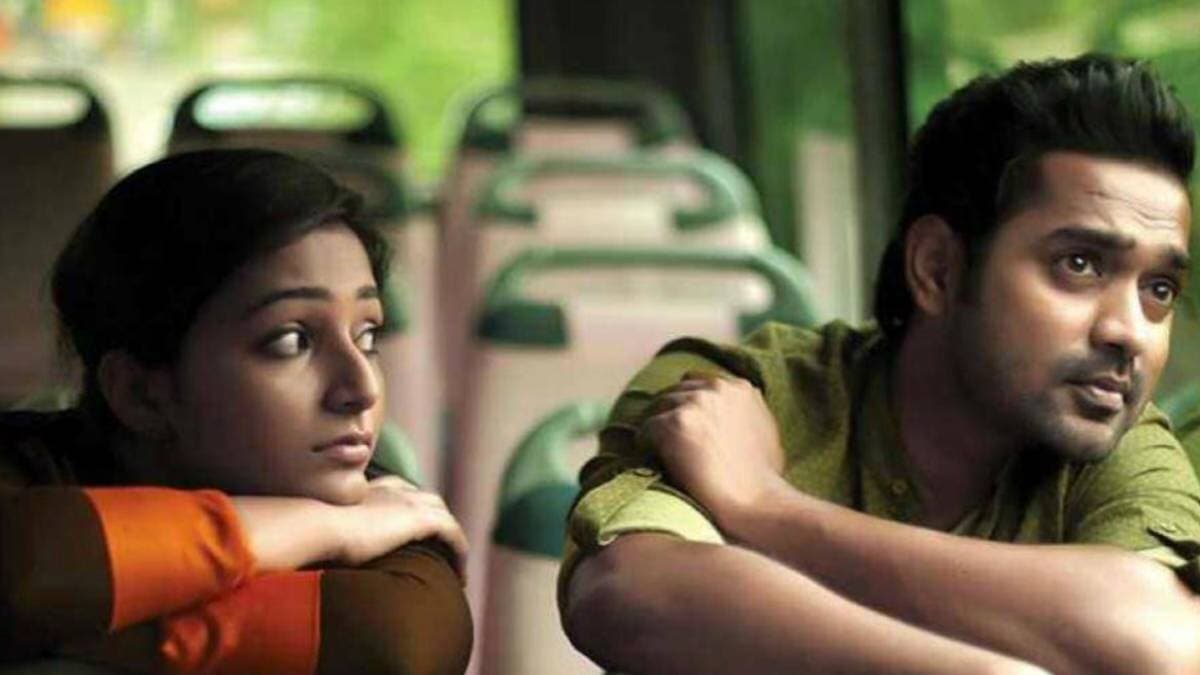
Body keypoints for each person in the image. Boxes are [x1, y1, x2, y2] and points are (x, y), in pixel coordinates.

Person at [559, 54, 1200, 674]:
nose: (1129, 332)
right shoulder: (731, 393)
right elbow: (627, 593)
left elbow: (1165, 644)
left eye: (1159, 289)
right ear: (937, 269)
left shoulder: (1121, 443)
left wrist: (764, 506)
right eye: (1079, 265)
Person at [0, 149, 472, 675]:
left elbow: (396, 639)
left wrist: (52, 631)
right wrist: (323, 526)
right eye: (291, 341)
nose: (361, 389)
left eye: (367, 336)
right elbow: (22, 571)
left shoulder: (383, 507)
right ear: (142, 393)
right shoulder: (23, 471)